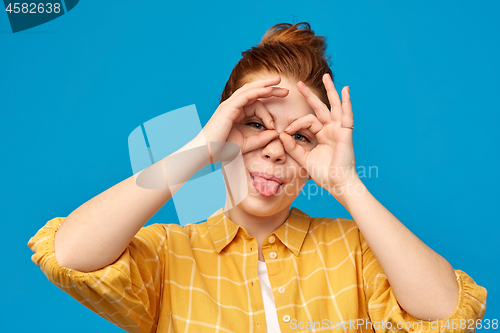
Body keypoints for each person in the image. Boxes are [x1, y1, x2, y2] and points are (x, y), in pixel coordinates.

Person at [28, 22, 487, 333]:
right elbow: (70, 256)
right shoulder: (170, 256)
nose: (274, 147)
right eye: (255, 124)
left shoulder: (355, 251)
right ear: (225, 126)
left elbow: (450, 315)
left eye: (299, 136)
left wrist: (348, 185)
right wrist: (198, 151)